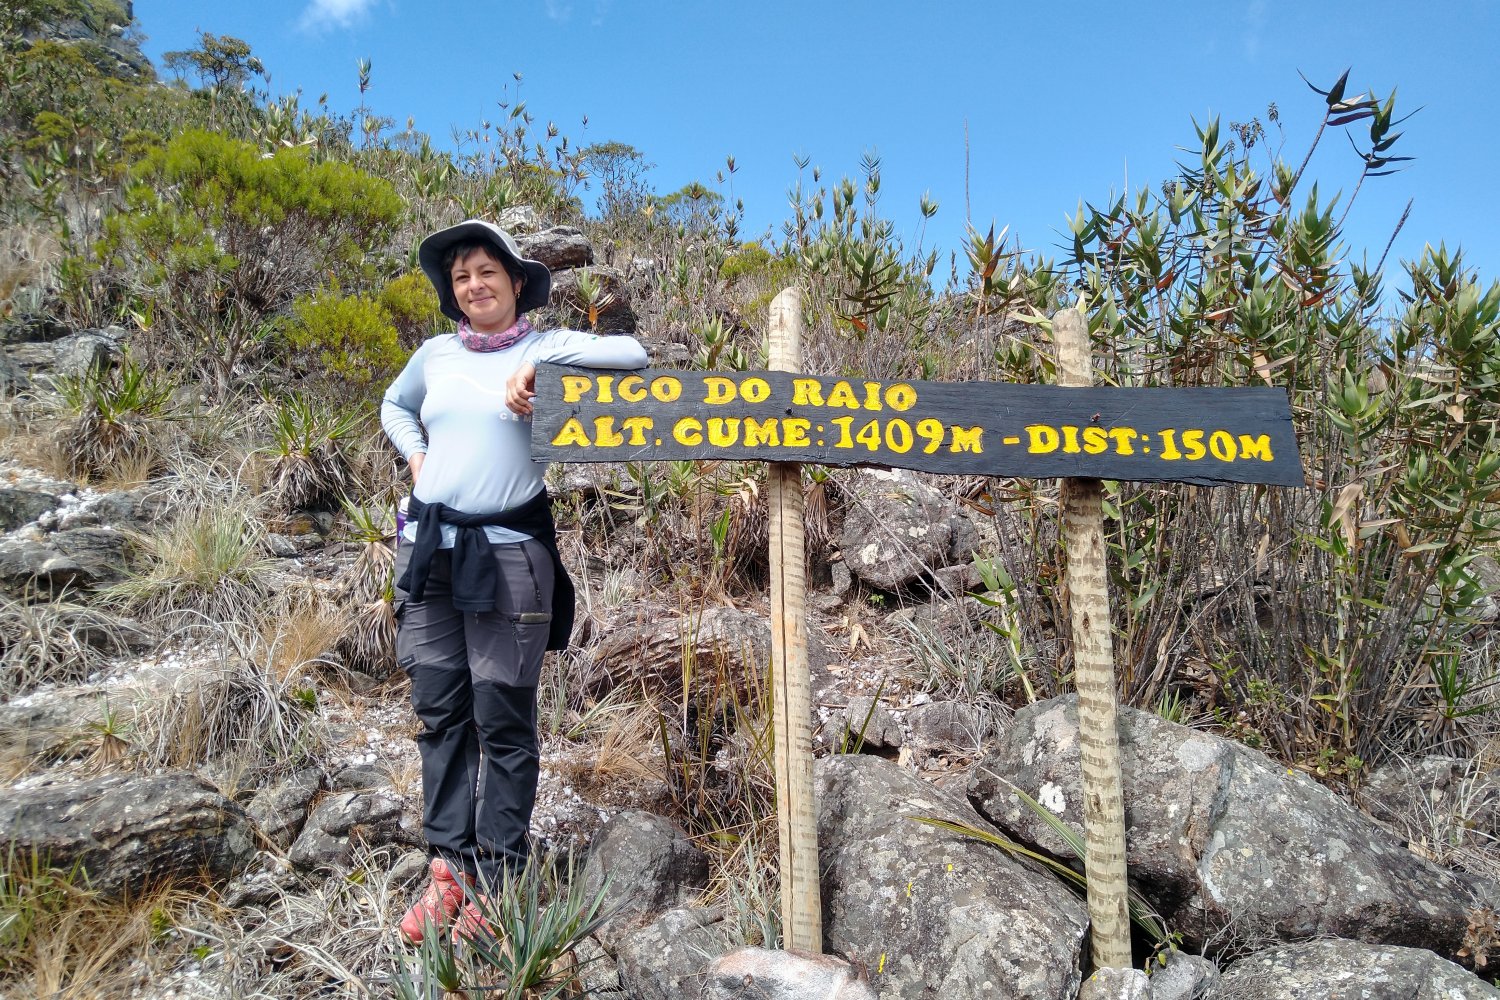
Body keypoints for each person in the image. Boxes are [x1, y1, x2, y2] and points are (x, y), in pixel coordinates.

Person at [381, 219, 647, 943]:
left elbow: (633, 354)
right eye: (461, 276)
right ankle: (449, 867)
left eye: (487, 272)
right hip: (429, 549)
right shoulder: (434, 355)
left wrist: (540, 375)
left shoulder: (545, 347)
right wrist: (416, 456)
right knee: (440, 711)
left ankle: (498, 877)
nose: (475, 285)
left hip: (508, 554)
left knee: (502, 716)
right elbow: (395, 406)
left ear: (517, 281)